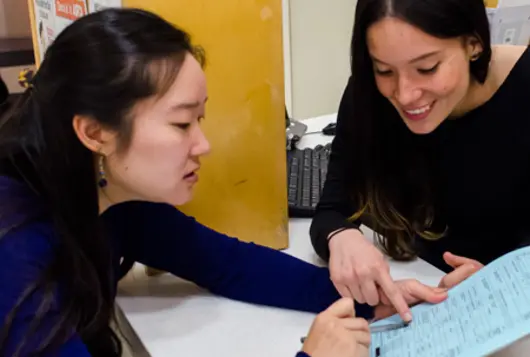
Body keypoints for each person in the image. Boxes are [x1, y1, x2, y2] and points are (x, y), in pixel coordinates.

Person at [0, 8, 450, 357]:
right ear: (96, 133)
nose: (204, 145)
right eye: (181, 124)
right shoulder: (17, 255)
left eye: (201, 118)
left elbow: (228, 265)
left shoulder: (111, 195)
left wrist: (373, 301)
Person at [310, 0, 529, 322]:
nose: (405, 94)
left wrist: (508, 280)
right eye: (384, 70)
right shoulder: (370, 93)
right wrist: (341, 238)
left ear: (474, 43)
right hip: (427, 301)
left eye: (427, 68)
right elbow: (333, 209)